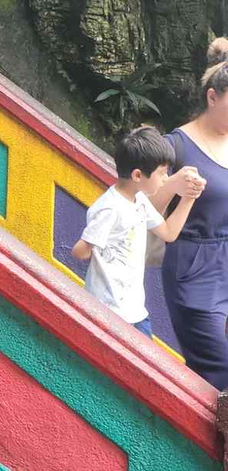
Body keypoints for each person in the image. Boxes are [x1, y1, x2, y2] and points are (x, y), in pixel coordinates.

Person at [72, 126, 203, 338]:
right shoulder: (110, 208)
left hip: (136, 313)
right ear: (137, 175)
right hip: (108, 313)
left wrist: (190, 197)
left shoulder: (139, 201)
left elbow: (168, 232)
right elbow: (80, 251)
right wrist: (88, 246)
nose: (165, 179)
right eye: (162, 173)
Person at [152, 37, 228, 390]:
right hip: (193, 265)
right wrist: (175, 186)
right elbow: (143, 205)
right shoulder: (177, 145)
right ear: (212, 97)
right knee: (218, 365)